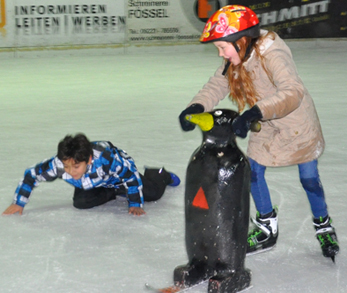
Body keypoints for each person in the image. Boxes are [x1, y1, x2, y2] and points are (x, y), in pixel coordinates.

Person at [178, 5, 339, 261]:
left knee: (309, 179)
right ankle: (266, 227)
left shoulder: (272, 52)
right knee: (253, 171)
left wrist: (254, 112)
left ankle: (323, 225)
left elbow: (292, 92)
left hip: (296, 123)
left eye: (222, 47)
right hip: (264, 122)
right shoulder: (239, 54)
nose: (221, 53)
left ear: (239, 40)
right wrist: (196, 106)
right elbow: (219, 82)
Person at [2, 133, 180, 216]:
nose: (70, 173)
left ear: (88, 159)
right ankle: (114, 193)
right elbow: (32, 175)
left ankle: (160, 174)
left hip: (120, 178)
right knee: (81, 203)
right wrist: (19, 202)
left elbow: (130, 176)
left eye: (75, 167)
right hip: (97, 183)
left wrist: (134, 203)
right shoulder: (59, 164)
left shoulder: (108, 160)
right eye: (66, 167)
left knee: (154, 193)